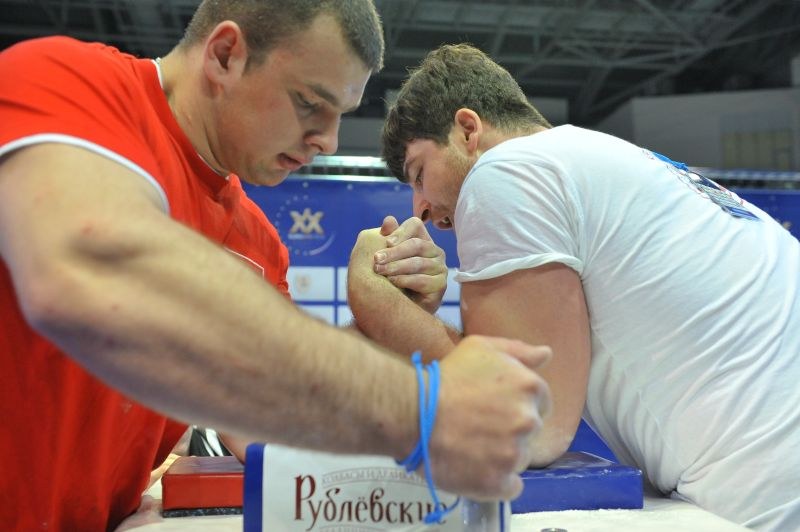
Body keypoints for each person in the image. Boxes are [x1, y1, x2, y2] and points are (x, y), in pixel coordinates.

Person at [0, 5, 555, 529]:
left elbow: (261, 414)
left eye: (340, 115)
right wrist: (428, 406)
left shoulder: (258, 243)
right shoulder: (67, 82)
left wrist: (380, 311)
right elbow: (91, 272)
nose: (328, 140)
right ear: (224, 55)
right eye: (310, 104)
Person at [347, 43, 800, 530]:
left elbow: (532, 427)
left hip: (766, 502)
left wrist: (379, 304)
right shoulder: (612, 161)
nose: (420, 208)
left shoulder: (506, 171)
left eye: (419, 173)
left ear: (468, 130)